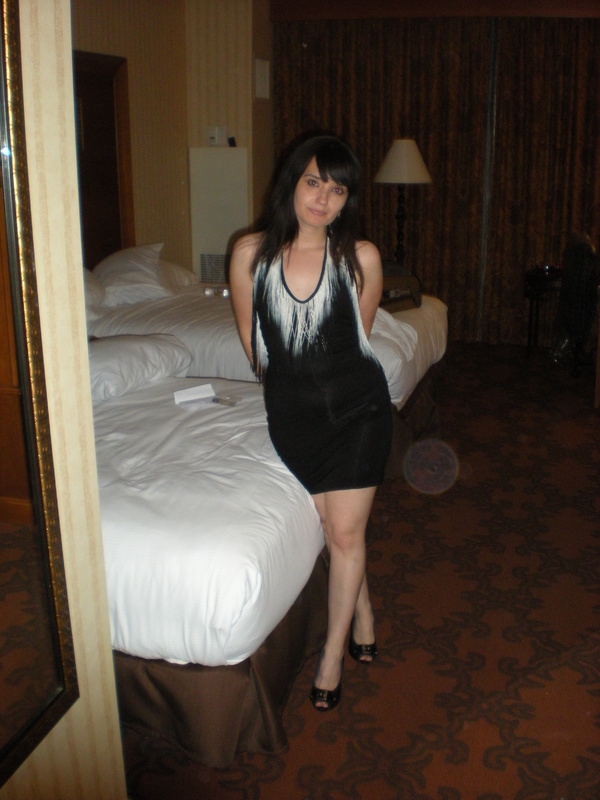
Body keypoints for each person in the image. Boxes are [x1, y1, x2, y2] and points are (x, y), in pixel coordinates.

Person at [229, 134, 392, 711]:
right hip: (293, 420)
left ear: (348, 201)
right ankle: (363, 610)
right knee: (336, 529)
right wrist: (292, 399)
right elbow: (255, 346)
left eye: (338, 189)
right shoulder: (250, 255)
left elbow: (359, 342)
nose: (323, 198)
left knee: (343, 534)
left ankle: (331, 658)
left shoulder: (359, 259)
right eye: (314, 182)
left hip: (358, 414)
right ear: (292, 183)